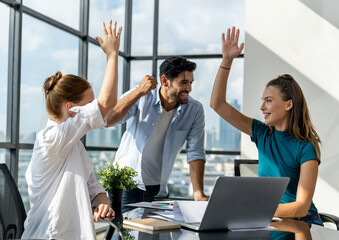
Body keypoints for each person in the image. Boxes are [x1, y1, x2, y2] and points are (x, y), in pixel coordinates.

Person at [210, 27, 323, 225]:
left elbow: (302, 206)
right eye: (262, 100)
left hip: (300, 223)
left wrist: (256, 211)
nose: (262, 107)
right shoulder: (262, 133)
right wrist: (227, 60)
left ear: (288, 104)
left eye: (269, 100)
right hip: (269, 220)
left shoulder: (306, 147)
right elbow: (217, 104)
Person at [22, 20, 122, 239]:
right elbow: (107, 104)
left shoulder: (74, 144)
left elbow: (95, 189)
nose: (95, 107)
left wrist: (102, 204)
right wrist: (112, 54)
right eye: (89, 103)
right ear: (71, 108)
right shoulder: (51, 139)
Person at [105, 56, 208, 208]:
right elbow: (109, 119)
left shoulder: (195, 109)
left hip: (158, 190)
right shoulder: (141, 96)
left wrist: (198, 193)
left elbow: (196, 152)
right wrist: (139, 91)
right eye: (183, 82)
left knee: (158, 231)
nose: (189, 89)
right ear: (165, 81)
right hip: (125, 185)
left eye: (191, 83)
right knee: (123, 231)